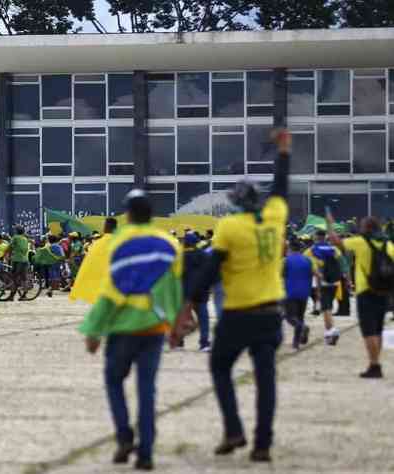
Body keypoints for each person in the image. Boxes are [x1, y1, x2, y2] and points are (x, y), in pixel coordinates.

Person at [173, 128, 292, 462]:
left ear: (237, 203)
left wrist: (186, 304)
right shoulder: (275, 218)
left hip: (239, 313)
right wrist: (284, 152)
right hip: (271, 313)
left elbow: (210, 271)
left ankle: (233, 428)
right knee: (266, 379)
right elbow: (281, 186)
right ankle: (263, 444)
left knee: (221, 367)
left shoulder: (230, 228)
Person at [79, 190, 183, 470]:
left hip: (123, 328)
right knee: (147, 390)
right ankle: (146, 453)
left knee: (114, 381)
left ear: (129, 214)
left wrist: (94, 329)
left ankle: (125, 436)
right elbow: (174, 290)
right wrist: (176, 325)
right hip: (154, 328)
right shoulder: (170, 244)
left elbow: (113, 289)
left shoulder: (120, 242)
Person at [328, 216, 394, 378]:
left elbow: (336, 242)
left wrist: (330, 223)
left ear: (366, 228)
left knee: (368, 331)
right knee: (378, 330)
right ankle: (375, 363)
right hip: (384, 291)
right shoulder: (389, 244)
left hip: (366, 291)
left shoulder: (360, 242)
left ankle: (374, 365)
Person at [305, 230, 342, 345]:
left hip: (322, 282)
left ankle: (330, 332)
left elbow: (306, 264)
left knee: (325, 308)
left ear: (316, 237)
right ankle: (330, 330)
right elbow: (342, 263)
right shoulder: (334, 249)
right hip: (335, 282)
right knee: (329, 306)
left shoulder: (310, 251)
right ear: (325, 237)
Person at [182, 232, 210, 352]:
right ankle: (204, 343)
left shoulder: (179, 256)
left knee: (182, 317)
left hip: (185, 292)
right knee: (203, 318)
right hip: (200, 292)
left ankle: (179, 342)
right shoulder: (204, 255)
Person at [283, 241, 313, 350]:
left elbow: (281, 277)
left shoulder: (286, 261)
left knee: (290, 317)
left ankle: (303, 328)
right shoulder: (307, 260)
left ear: (290, 249)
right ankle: (296, 342)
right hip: (304, 293)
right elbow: (311, 275)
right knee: (300, 317)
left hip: (290, 293)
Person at [7, 226, 30, 301]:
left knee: (14, 278)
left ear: (17, 231)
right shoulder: (25, 239)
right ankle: (24, 295)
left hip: (17, 260)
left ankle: (12, 295)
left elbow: (10, 247)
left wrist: (8, 255)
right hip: (25, 260)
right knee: (24, 279)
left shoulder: (15, 237)